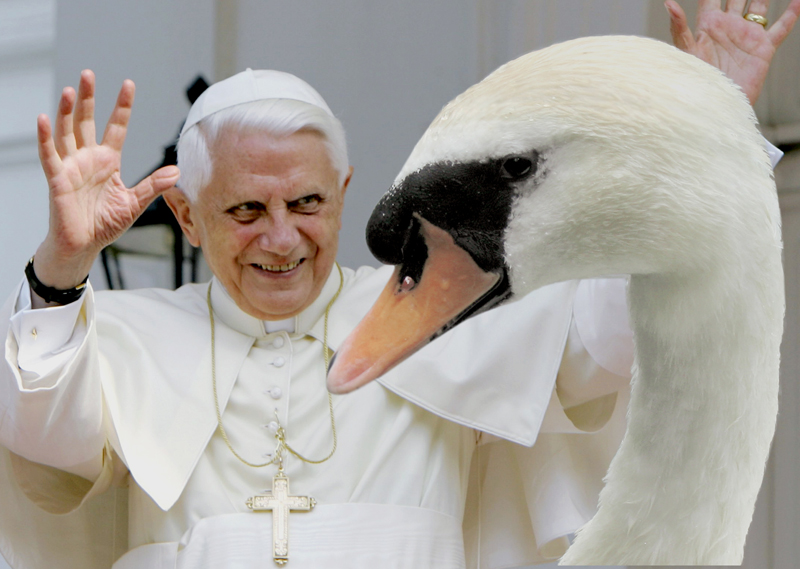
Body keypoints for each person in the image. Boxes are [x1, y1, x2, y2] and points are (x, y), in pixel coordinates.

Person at [0, 2, 797, 568]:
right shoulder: (125, 334)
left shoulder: (433, 309)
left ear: (345, 189)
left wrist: (706, 132)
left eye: (307, 203)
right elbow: (44, 445)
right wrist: (63, 262)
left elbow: (615, 329)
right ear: (187, 212)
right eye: (246, 209)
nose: (281, 238)